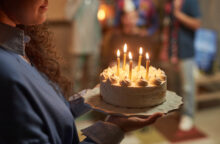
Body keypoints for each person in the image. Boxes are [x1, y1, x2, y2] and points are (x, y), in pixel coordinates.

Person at [0, 0, 163, 144]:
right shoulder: (6, 73)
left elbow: (53, 116)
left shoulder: (19, 47)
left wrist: (100, 93)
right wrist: (114, 127)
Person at [160, 0, 201, 131]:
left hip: (186, 51)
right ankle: (177, 110)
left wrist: (177, 14)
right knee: (174, 83)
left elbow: (197, 23)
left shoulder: (190, 2)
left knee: (188, 87)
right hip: (173, 50)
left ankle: (188, 115)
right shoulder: (170, 2)